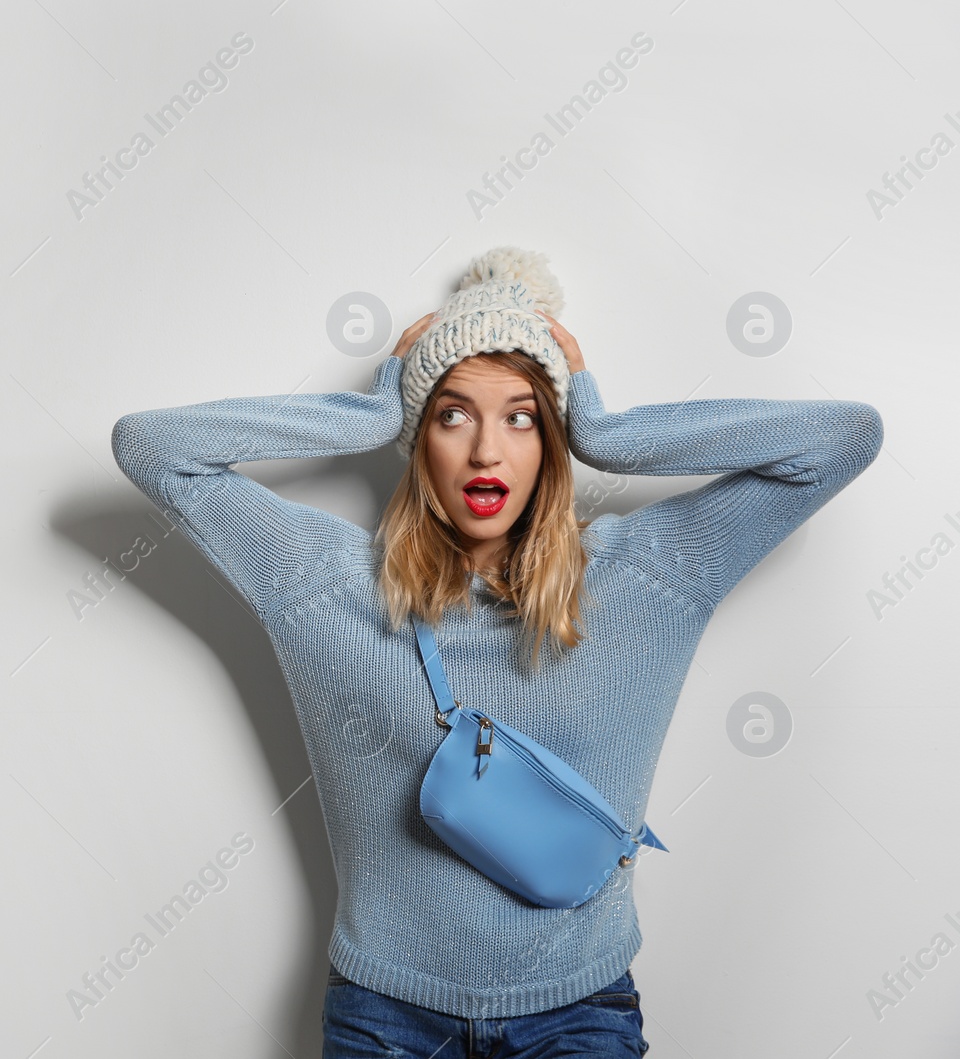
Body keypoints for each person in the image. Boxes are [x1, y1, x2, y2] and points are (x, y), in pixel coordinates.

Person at [109, 246, 883, 1057]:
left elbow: (845, 437)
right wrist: (378, 411)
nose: (486, 451)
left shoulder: (645, 576)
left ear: (551, 439)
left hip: (580, 1014)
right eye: (451, 414)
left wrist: (604, 428)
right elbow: (152, 447)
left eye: (521, 416)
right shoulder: (324, 585)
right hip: (384, 1015)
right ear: (422, 441)